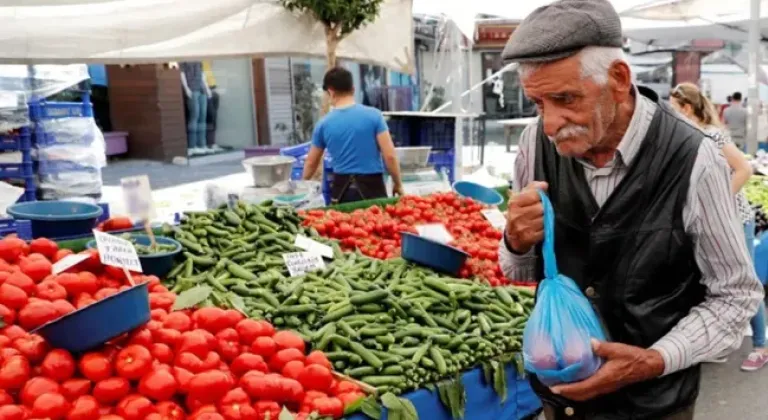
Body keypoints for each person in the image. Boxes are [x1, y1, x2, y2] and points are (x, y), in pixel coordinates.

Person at [499, 0, 763, 419]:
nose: (550, 124)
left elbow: (735, 296)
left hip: (655, 406)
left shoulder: (694, 159)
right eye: (537, 104)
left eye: (565, 98)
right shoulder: (534, 145)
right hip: (561, 400)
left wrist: (653, 360)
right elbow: (520, 272)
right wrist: (515, 240)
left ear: (619, 79)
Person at [669, 83, 766, 371]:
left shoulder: (710, 135)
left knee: (742, 280)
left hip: (737, 220)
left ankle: (761, 345)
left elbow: (745, 169)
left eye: (675, 109)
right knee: (712, 279)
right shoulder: (687, 137)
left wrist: (718, 204)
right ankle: (720, 342)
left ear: (687, 109)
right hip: (712, 222)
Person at [303, 67, 403, 203]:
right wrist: (398, 183)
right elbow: (390, 156)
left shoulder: (323, 124)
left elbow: (311, 162)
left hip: (342, 192)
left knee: (345, 223)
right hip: (373, 189)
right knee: (377, 224)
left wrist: (301, 186)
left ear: (330, 92)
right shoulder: (374, 116)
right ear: (353, 89)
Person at [180, 61, 213, 156]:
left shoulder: (199, 59)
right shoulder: (183, 59)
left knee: (202, 117)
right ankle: (192, 146)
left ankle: (202, 145)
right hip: (192, 89)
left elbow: (202, 74)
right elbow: (182, 74)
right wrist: (186, 89)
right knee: (195, 116)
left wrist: (207, 88)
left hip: (202, 89)